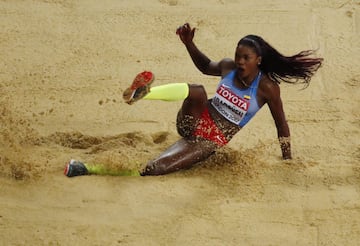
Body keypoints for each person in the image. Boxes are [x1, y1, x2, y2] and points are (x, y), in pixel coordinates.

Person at [127, 23, 324, 176]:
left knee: (155, 169)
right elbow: (205, 66)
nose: (240, 61)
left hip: (210, 139)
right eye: (238, 56)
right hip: (192, 121)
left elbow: (281, 124)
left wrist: (287, 157)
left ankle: (118, 172)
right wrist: (189, 43)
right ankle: (144, 93)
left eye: (246, 58)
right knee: (198, 91)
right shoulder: (228, 67)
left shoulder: (268, 88)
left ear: (259, 60)